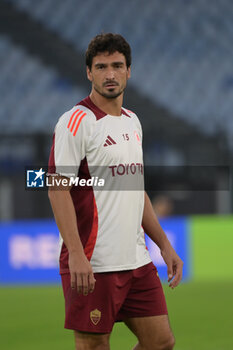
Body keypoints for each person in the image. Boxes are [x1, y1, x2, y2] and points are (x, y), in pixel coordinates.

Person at [48, 33, 183, 350]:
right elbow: (57, 190)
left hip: (137, 262)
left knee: (161, 342)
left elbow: (137, 191)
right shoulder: (75, 122)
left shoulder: (133, 121)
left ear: (129, 71)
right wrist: (78, 255)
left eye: (117, 65)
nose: (110, 74)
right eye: (101, 66)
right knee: (95, 346)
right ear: (88, 72)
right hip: (94, 263)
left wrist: (164, 245)